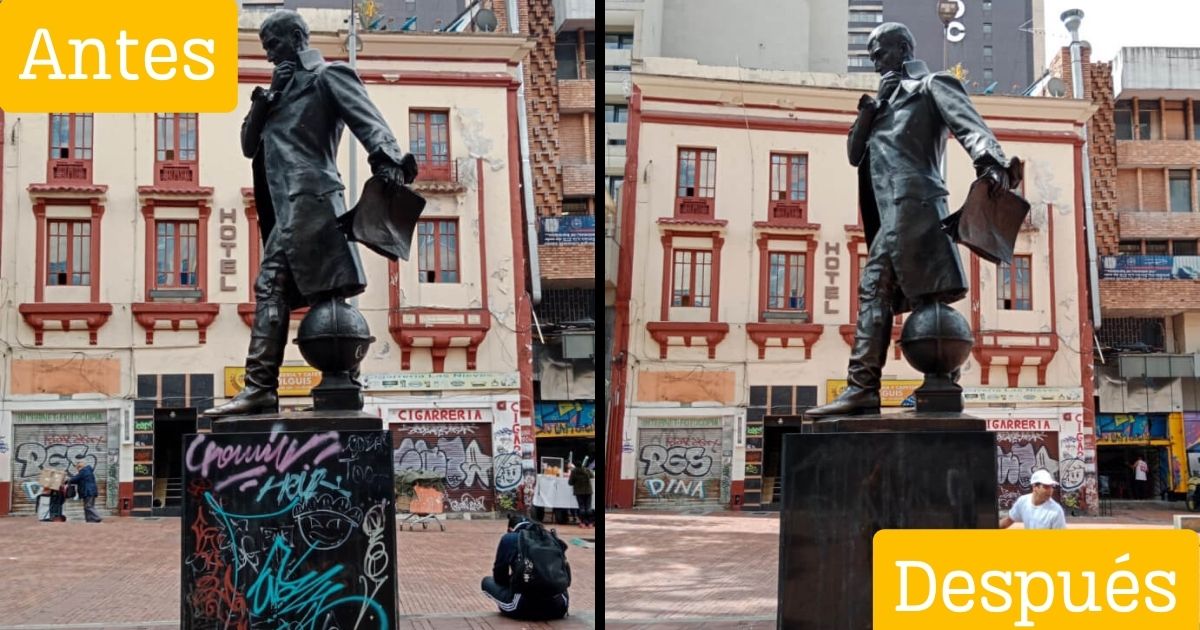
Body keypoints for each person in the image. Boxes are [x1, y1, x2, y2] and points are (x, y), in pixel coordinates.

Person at [205, 9, 417, 416]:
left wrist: (387, 159)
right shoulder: (276, 92)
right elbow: (250, 145)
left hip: (314, 202)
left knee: (276, 288)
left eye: (274, 45)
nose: (269, 55)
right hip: (287, 208)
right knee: (306, 293)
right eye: (265, 48)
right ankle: (318, 386)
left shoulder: (327, 76)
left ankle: (264, 387)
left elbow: (368, 120)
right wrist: (267, 99)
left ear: (298, 39)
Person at [806, 22, 1017, 417]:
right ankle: (935, 384)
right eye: (871, 58)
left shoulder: (931, 85)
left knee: (875, 289)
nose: (876, 64)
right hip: (890, 215)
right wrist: (869, 111)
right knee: (917, 297)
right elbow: (854, 154)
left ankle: (864, 387)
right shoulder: (878, 105)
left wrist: (991, 163)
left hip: (917, 207)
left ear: (903, 48)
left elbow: (971, 126)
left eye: (881, 54)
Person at [481, 513, 570, 621]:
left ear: (510, 529)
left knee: (487, 582)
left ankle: (516, 600)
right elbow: (565, 575)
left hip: (522, 608)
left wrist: (517, 579)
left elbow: (499, 576)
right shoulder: (550, 537)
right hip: (559, 607)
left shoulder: (509, 538)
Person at [999, 469, 1066, 530]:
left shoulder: (1056, 511)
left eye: (1051, 486)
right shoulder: (1023, 501)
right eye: (1046, 487)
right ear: (1034, 487)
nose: (1050, 490)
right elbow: (1007, 521)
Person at [568, 462, 594, 528]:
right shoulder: (586, 470)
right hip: (588, 491)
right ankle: (590, 523)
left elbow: (570, 483)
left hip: (579, 492)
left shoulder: (574, 472)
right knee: (588, 507)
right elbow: (592, 476)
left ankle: (583, 523)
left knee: (581, 507)